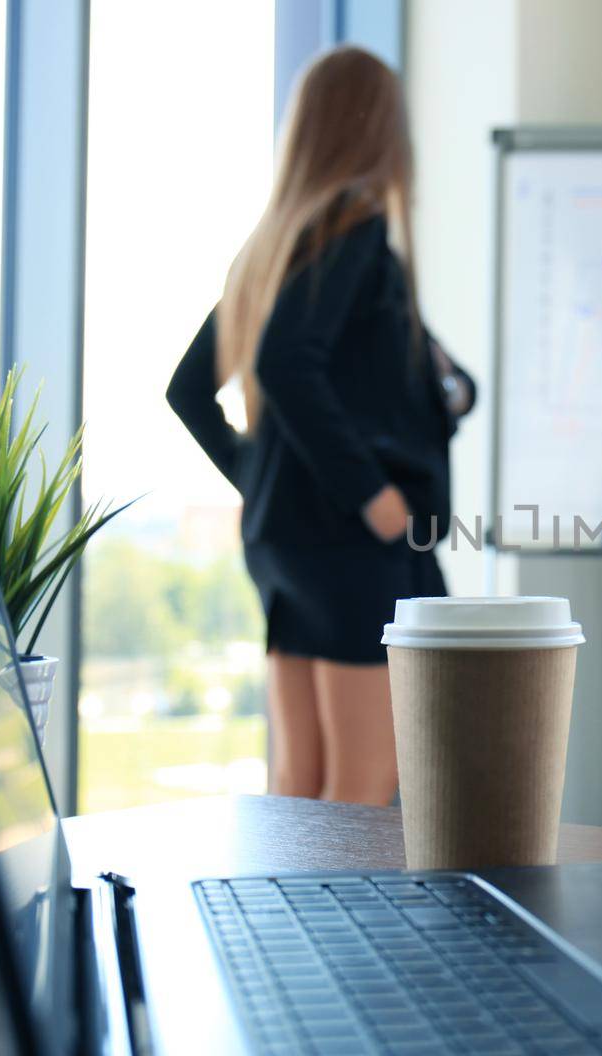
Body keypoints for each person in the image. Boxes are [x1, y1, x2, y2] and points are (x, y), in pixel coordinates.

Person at [167, 46, 474, 806]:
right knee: (367, 785)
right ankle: (335, 931)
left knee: (301, 785)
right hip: (347, 543)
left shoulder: (273, 247)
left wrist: (261, 480)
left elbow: (189, 391)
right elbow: (284, 364)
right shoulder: (357, 232)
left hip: (286, 542)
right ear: (378, 128)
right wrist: (369, 492)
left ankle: (283, 926)